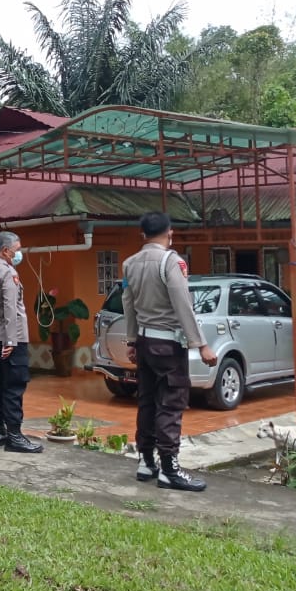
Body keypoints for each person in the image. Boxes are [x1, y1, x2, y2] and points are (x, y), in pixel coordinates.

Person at [121, 211, 218, 492]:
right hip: (168, 345)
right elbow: (182, 305)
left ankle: (146, 461)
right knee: (172, 403)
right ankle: (169, 469)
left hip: (143, 341)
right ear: (170, 232)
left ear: (143, 235)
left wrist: (131, 341)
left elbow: (128, 305)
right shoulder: (171, 262)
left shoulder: (130, 264)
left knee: (147, 401)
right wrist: (200, 343)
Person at [0, 231, 42, 454]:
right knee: (14, 386)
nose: (19, 253)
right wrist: (11, 340)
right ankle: (14, 436)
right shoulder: (8, 273)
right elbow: (10, 307)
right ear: (5, 251)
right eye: (17, 249)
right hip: (12, 339)